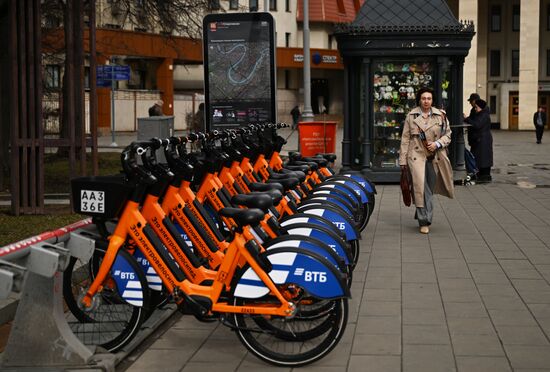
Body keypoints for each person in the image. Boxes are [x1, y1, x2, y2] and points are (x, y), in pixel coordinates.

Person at [399, 87, 454, 234]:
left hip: (435, 156)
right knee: (422, 189)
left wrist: (436, 144)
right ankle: (425, 221)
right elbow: (405, 139)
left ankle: (421, 212)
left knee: (428, 188)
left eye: (429, 98)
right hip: (416, 156)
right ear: (419, 99)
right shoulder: (411, 116)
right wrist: (402, 160)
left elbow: (448, 135)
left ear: (432, 100)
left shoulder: (441, 116)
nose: (426, 101)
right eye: (423, 98)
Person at [466, 99, 493, 183]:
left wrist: (466, 119)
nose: (475, 109)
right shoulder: (481, 114)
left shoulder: (484, 115)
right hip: (481, 140)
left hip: (483, 140)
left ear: (481, 107)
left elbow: (477, 124)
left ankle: (484, 175)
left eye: (476, 107)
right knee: (480, 158)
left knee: (483, 158)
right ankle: (481, 174)